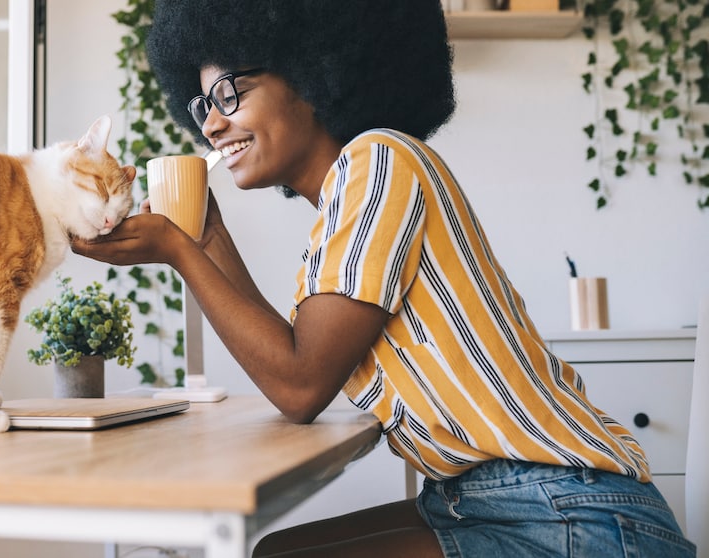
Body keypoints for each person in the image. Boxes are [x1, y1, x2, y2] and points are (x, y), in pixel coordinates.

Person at [72, 1, 696, 556]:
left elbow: (298, 385)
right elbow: (291, 357)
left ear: (312, 74)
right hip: (488, 499)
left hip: (573, 513)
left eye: (230, 94)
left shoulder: (380, 161)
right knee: (272, 551)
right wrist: (205, 238)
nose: (210, 125)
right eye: (202, 105)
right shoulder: (342, 216)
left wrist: (181, 254)